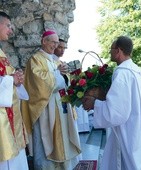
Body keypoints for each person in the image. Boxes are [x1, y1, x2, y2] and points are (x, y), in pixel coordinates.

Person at [82, 36, 141, 170]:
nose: (110, 52)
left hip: (130, 132)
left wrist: (94, 103)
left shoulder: (122, 73)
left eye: (111, 49)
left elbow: (116, 113)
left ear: (118, 51)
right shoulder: (139, 72)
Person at [21, 30, 81, 170]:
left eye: (56, 42)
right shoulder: (35, 60)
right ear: (44, 41)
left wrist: (66, 75)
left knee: (64, 139)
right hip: (46, 109)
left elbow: (63, 80)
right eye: (52, 42)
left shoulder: (55, 60)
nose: (55, 45)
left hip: (61, 106)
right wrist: (57, 73)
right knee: (47, 140)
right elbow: (39, 83)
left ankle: (65, 166)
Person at [0, 11, 29, 170]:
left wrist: (16, 80)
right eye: (8, 25)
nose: (11, 30)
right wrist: (11, 80)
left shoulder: (2, 53)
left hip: (10, 114)